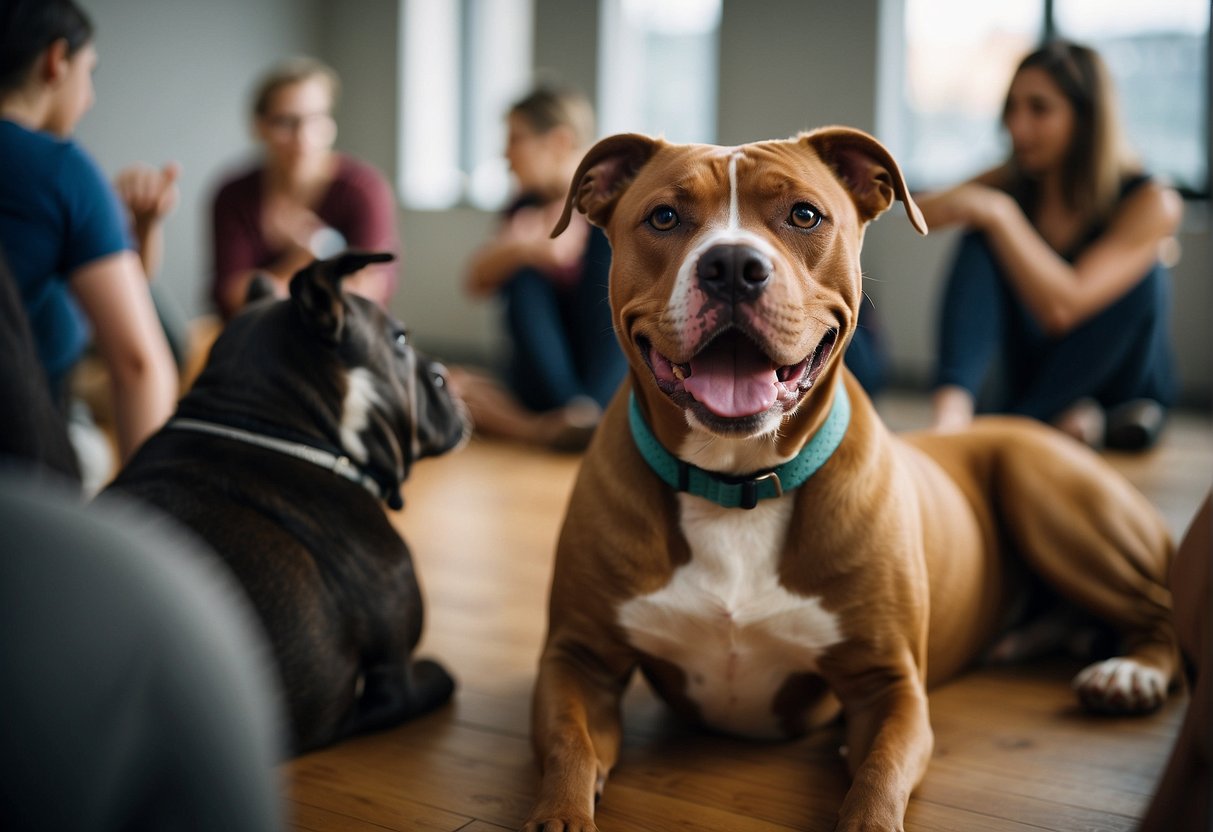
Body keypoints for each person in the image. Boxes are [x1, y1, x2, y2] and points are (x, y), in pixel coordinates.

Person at [917, 40, 1182, 450]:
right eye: (1012, 108)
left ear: (1086, 117)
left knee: (1147, 273)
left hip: (1117, 377)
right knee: (980, 241)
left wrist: (1000, 214)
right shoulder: (1015, 178)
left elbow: (1064, 307)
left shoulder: (1151, 200)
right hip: (1036, 369)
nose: (1017, 127)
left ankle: (1076, 417)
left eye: (1039, 109)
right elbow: (920, 214)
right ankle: (951, 418)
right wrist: (984, 203)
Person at [0, 0, 178, 473]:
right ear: (56, 61)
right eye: (90, 71)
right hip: (26, 459)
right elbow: (139, 365)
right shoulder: (60, 170)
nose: (90, 97)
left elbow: (124, 288)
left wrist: (141, 229)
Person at [456, 85, 626, 450]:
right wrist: (524, 248)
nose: (505, 154)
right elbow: (475, 281)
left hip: (606, 374)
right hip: (544, 379)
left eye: (516, 139)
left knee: (613, 263)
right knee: (521, 273)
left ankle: (584, 413)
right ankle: (569, 417)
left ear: (559, 142)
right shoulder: (525, 207)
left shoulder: (616, 200)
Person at [210, 56, 399, 321]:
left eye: (315, 119)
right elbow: (231, 296)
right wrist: (304, 260)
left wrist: (274, 281)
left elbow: (369, 291)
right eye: (286, 122)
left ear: (330, 124)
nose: (303, 136)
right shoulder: (234, 195)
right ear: (259, 126)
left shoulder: (364, 190)